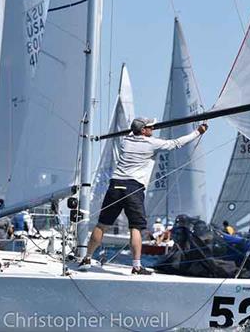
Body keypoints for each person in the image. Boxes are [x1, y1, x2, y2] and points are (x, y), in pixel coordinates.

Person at [80, 117, 208, 275]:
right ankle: (137, 266)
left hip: (115, 185)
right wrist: (197, 132)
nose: (153, 129)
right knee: (135, 228)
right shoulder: (151, 143)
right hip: (133, 188)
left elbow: (133, 134)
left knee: (102, 225)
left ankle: (86, 257)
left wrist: (139, 131)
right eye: (150, 127)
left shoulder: (125, 141)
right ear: (143, 130)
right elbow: (176, 143)